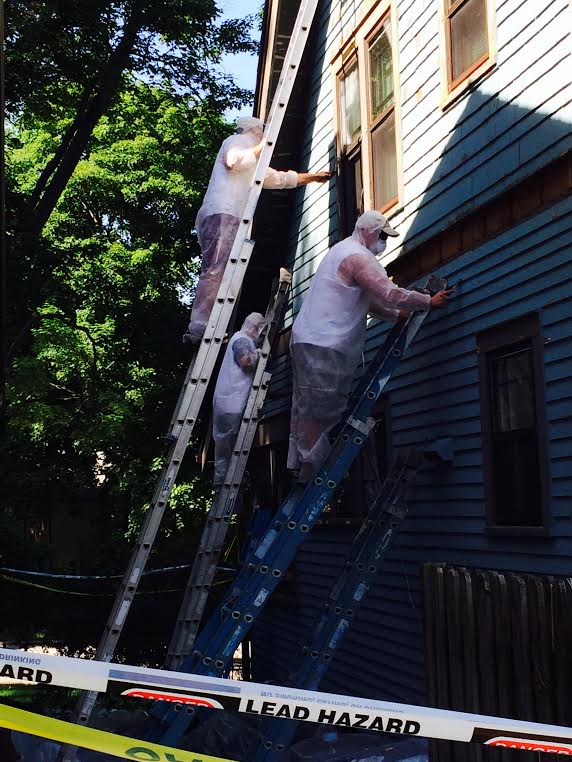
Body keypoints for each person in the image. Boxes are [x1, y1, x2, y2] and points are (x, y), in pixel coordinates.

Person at [287, 210, 452, 482]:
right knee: (323, 408)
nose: (384, 242)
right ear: (369, 232)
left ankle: (301, 465)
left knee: (307, 406)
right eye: (382, 236)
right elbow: (388, 292)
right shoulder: (358, 257)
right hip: (326, 343)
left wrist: (397, 315)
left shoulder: (340, 251)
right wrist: (427, 301)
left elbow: (368, 302)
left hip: (308, 338)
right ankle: (314, 472)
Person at [184, 116, 331, 344]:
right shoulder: (237, 141)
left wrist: (313, 177)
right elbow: (233, 161)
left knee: (221, 270)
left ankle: (207, 323)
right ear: (254, 131)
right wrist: (263, 144)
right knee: (216, 270)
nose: (264, 136)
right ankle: (200, 326)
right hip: (223, 212)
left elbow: (278, 178)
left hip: (226, 214)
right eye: (261, 132)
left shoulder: (252, 161)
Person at [212, 312, 267, 485]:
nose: (260, 336)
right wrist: (260, 354)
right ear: (255, 328)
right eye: (261, 332)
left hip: (226, 401)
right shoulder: (242, 339)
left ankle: (222, 482)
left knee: (225, 450)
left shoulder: (236, 338)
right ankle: (227, 482)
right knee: (232, 449)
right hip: (234, 403)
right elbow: (246, 361)